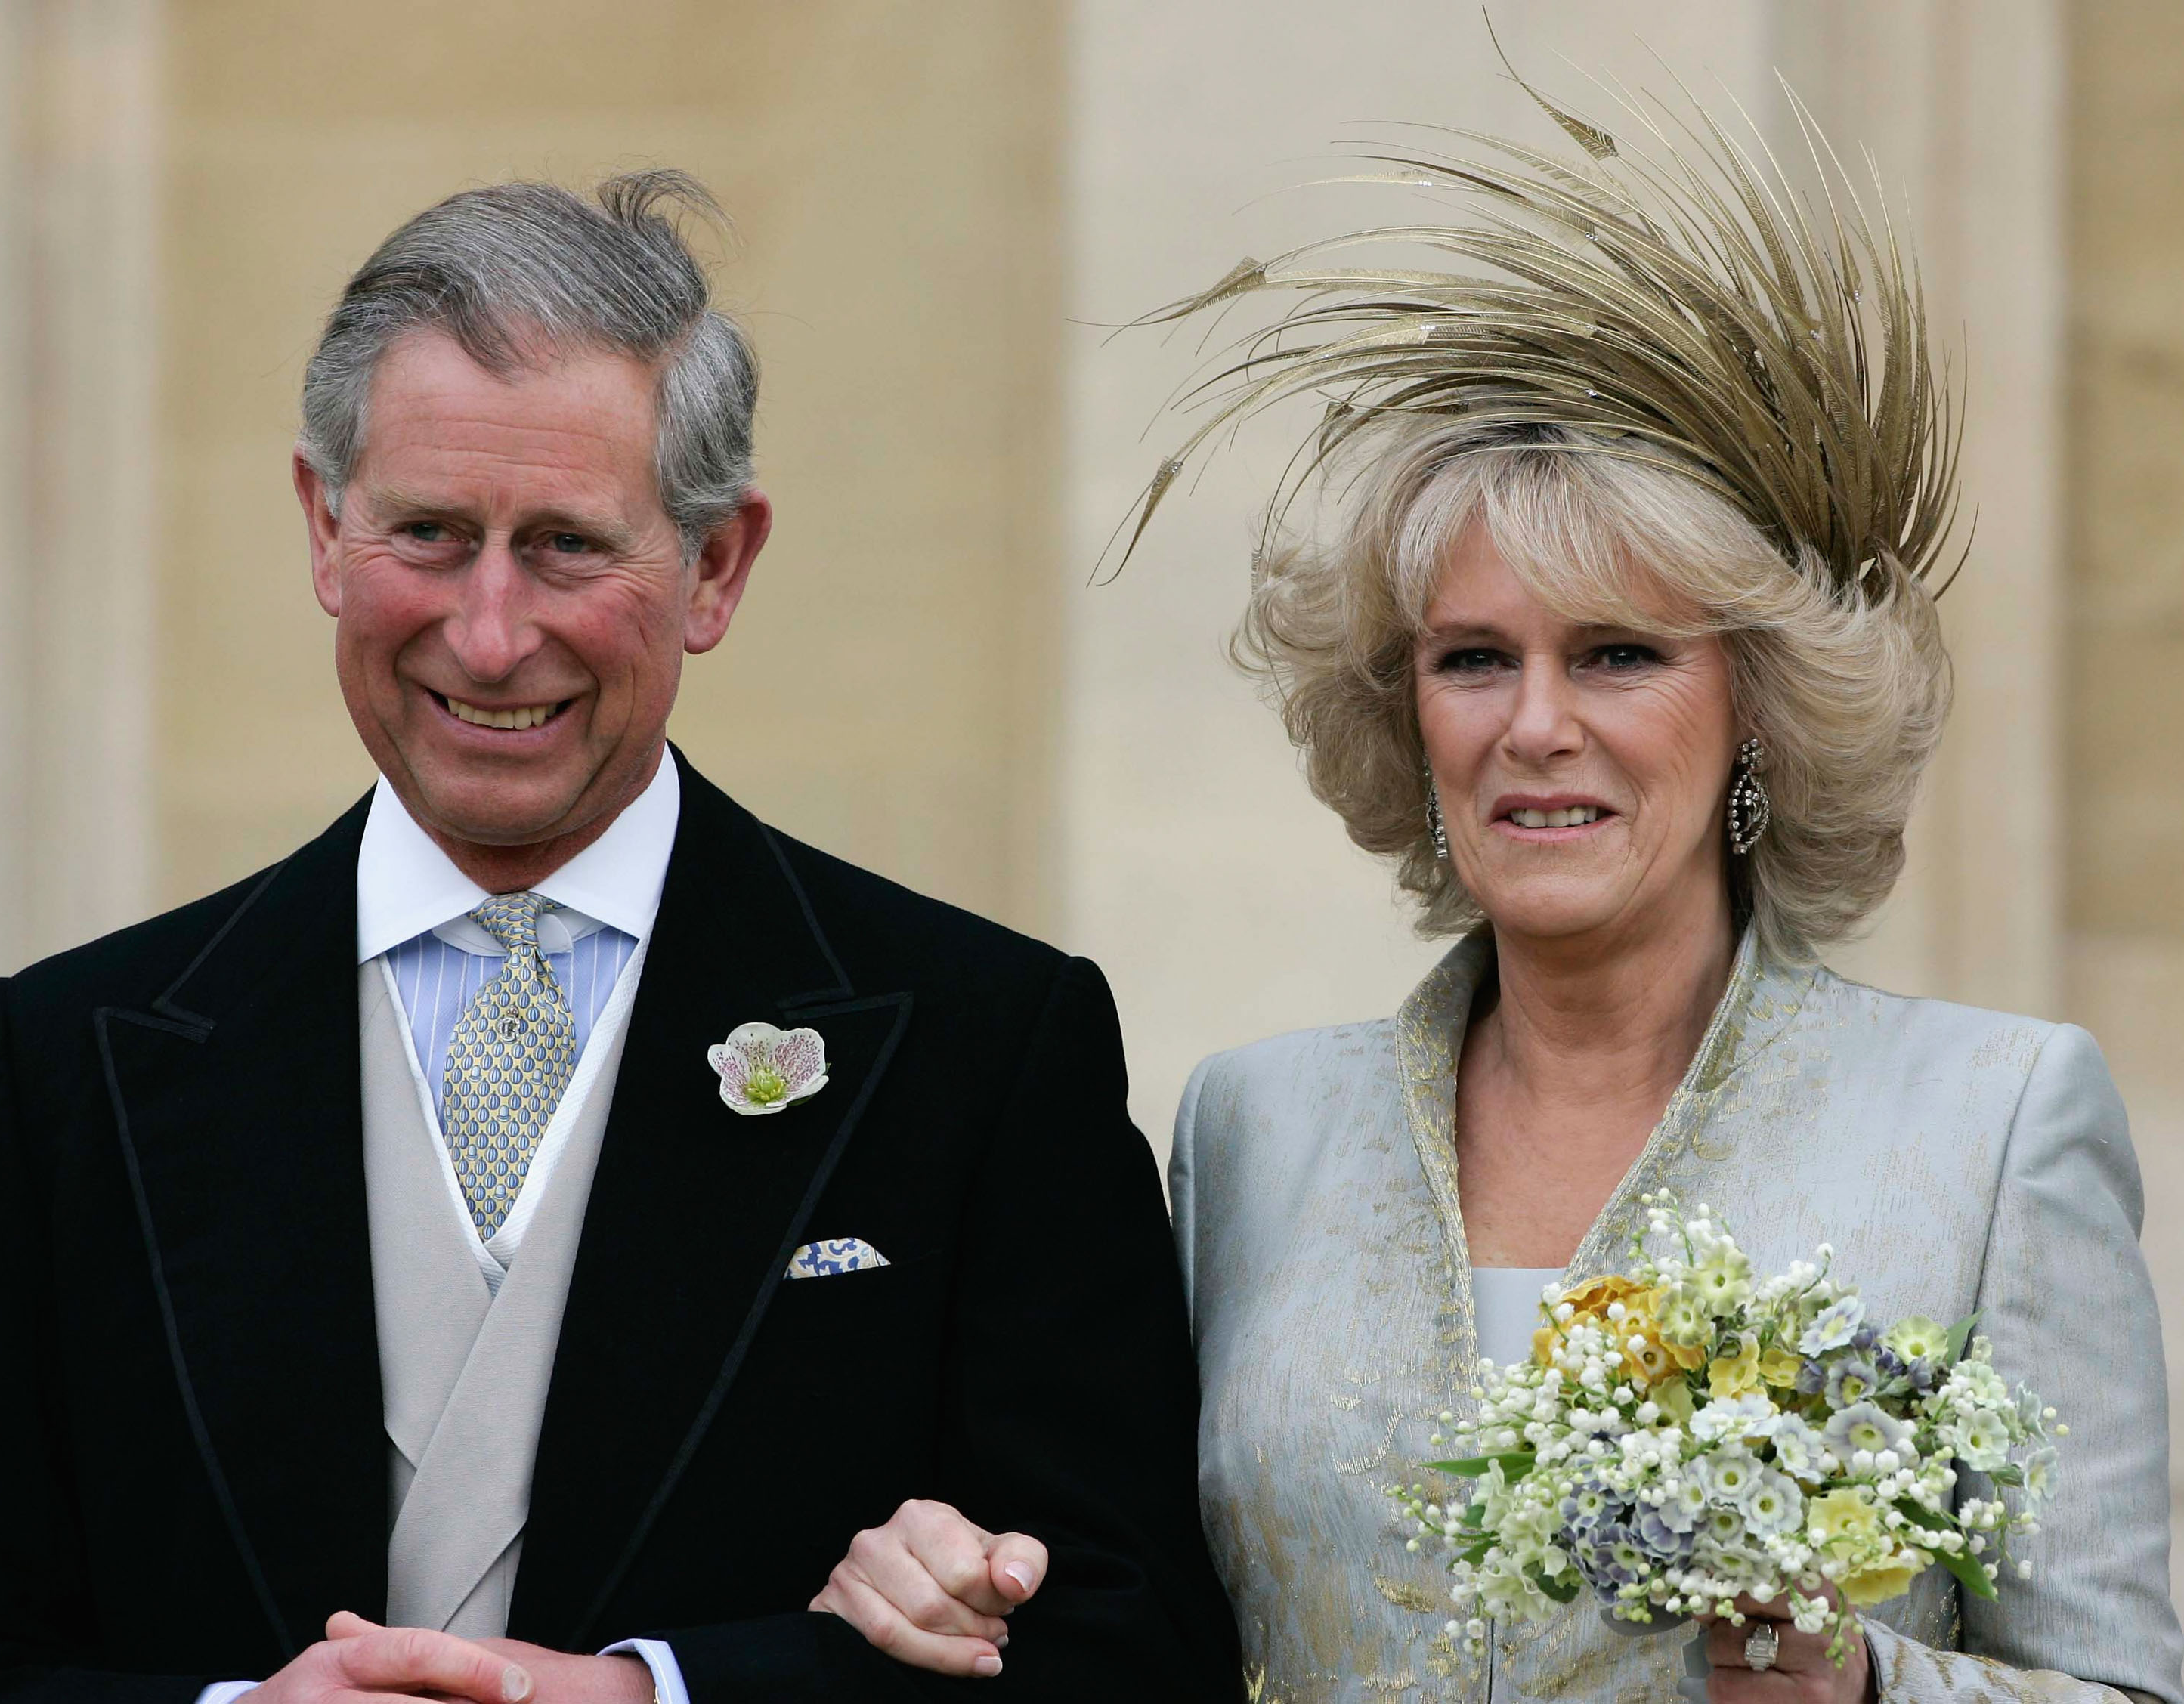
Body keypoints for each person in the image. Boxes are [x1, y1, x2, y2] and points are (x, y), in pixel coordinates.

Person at [862, 60, 2184, 1704]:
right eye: (1475, 659)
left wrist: (1868, 1687)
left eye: (1620, 654)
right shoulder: (1251, 1130)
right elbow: (1139, 1621)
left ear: (1759, 705)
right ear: (1406, 716)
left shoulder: (1992, 1119)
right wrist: (946, 1573)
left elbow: (2122, 1689)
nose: (1535, 728)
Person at [0, 171, 1238, 1703]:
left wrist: (658, 1697)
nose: (489, 635)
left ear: (717, 567)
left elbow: (1122, 1650)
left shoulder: (984, 1048)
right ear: (322, 525)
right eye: (428, 531)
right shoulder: (63, 1065)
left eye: (564, 547)